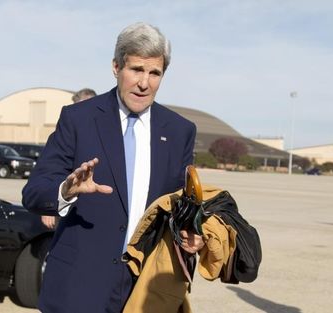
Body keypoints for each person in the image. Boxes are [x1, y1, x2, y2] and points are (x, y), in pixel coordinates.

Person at [22, 22, 203, 313]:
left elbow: (180, 206)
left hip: (145, 291)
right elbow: (33, 192)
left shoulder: (180, 131)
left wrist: (192, 232)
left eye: (154, 73)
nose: (144, 83)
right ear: (116, 67)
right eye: (136, 70)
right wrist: (66, 190)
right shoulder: (78, 119)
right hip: (78, 289)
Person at [41, 88, 97, 230]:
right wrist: (48, 207)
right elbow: (52, 171)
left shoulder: (108, 133)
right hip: (71, 208)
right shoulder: (66, 134)